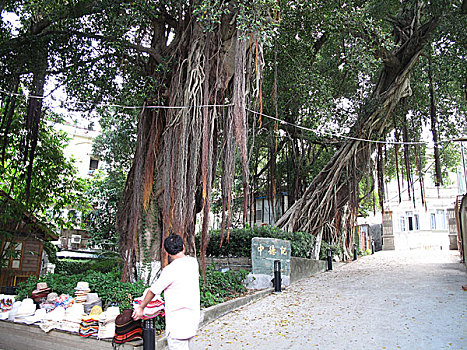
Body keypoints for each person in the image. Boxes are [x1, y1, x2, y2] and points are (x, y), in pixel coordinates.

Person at [132, 233, 200, 350]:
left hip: (177, 324)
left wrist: (141, 307)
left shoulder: (170, 270)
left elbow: (153, 291)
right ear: (183, 247)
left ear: (167, 253)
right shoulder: (193, 263)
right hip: (192, 320)